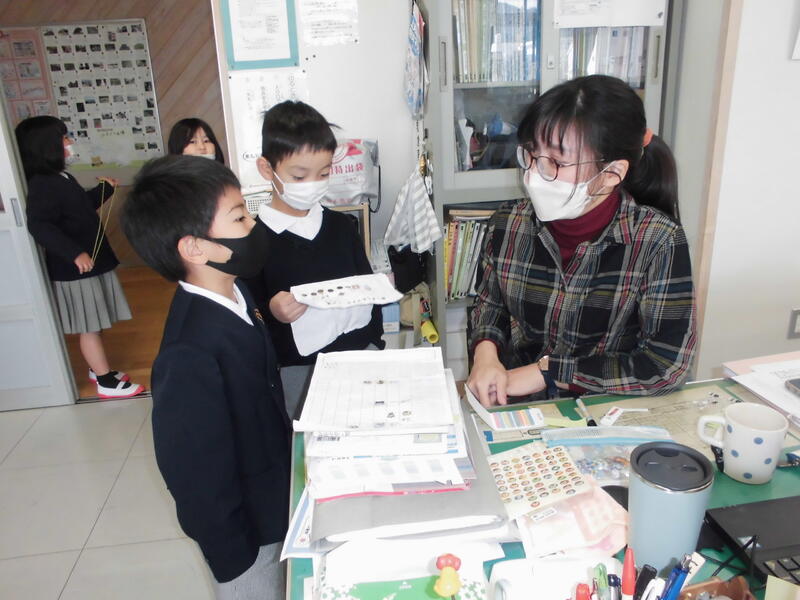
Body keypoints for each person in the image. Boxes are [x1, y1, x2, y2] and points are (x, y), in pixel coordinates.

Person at [467, 75, 696, 408]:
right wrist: (485, 354)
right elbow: (490, 306)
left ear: (612, 174)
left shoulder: (657, 241)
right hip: (518, 408)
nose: (533, 174)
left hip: (607, 413)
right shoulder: (508, 224)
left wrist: (549, 371)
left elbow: (665, 366)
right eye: (531, 154)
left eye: (556, 163)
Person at [121, 155, 290, 600]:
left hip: (274, 500)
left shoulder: (236, 290)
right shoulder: (189, 352)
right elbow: (195, 475)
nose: (252, 225)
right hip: (246, 540)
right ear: (195, 248)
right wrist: (234, 557)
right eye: (239, 217)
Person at [245, 100, 384, 419]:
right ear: (267, 169)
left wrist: (375, 345)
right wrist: (271, 312)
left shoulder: (341, 227)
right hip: (297, 373)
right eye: (299, 176)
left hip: (358, 362)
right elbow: (249, 318)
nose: (313, 185)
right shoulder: (254, 241)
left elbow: (368, 292)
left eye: (323, 174)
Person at [15, 115, 144, 398]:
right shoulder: (42, 184)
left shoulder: (62, 178)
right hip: (76, 269)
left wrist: (105, 190)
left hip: (91, 263)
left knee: (96, 322)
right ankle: (105, 381)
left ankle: (97, 369)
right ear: (46, 146)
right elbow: (40, 225)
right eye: (64, 138)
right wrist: (74, 253)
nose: (70, 142)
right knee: (89, 327)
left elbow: (81, 206)